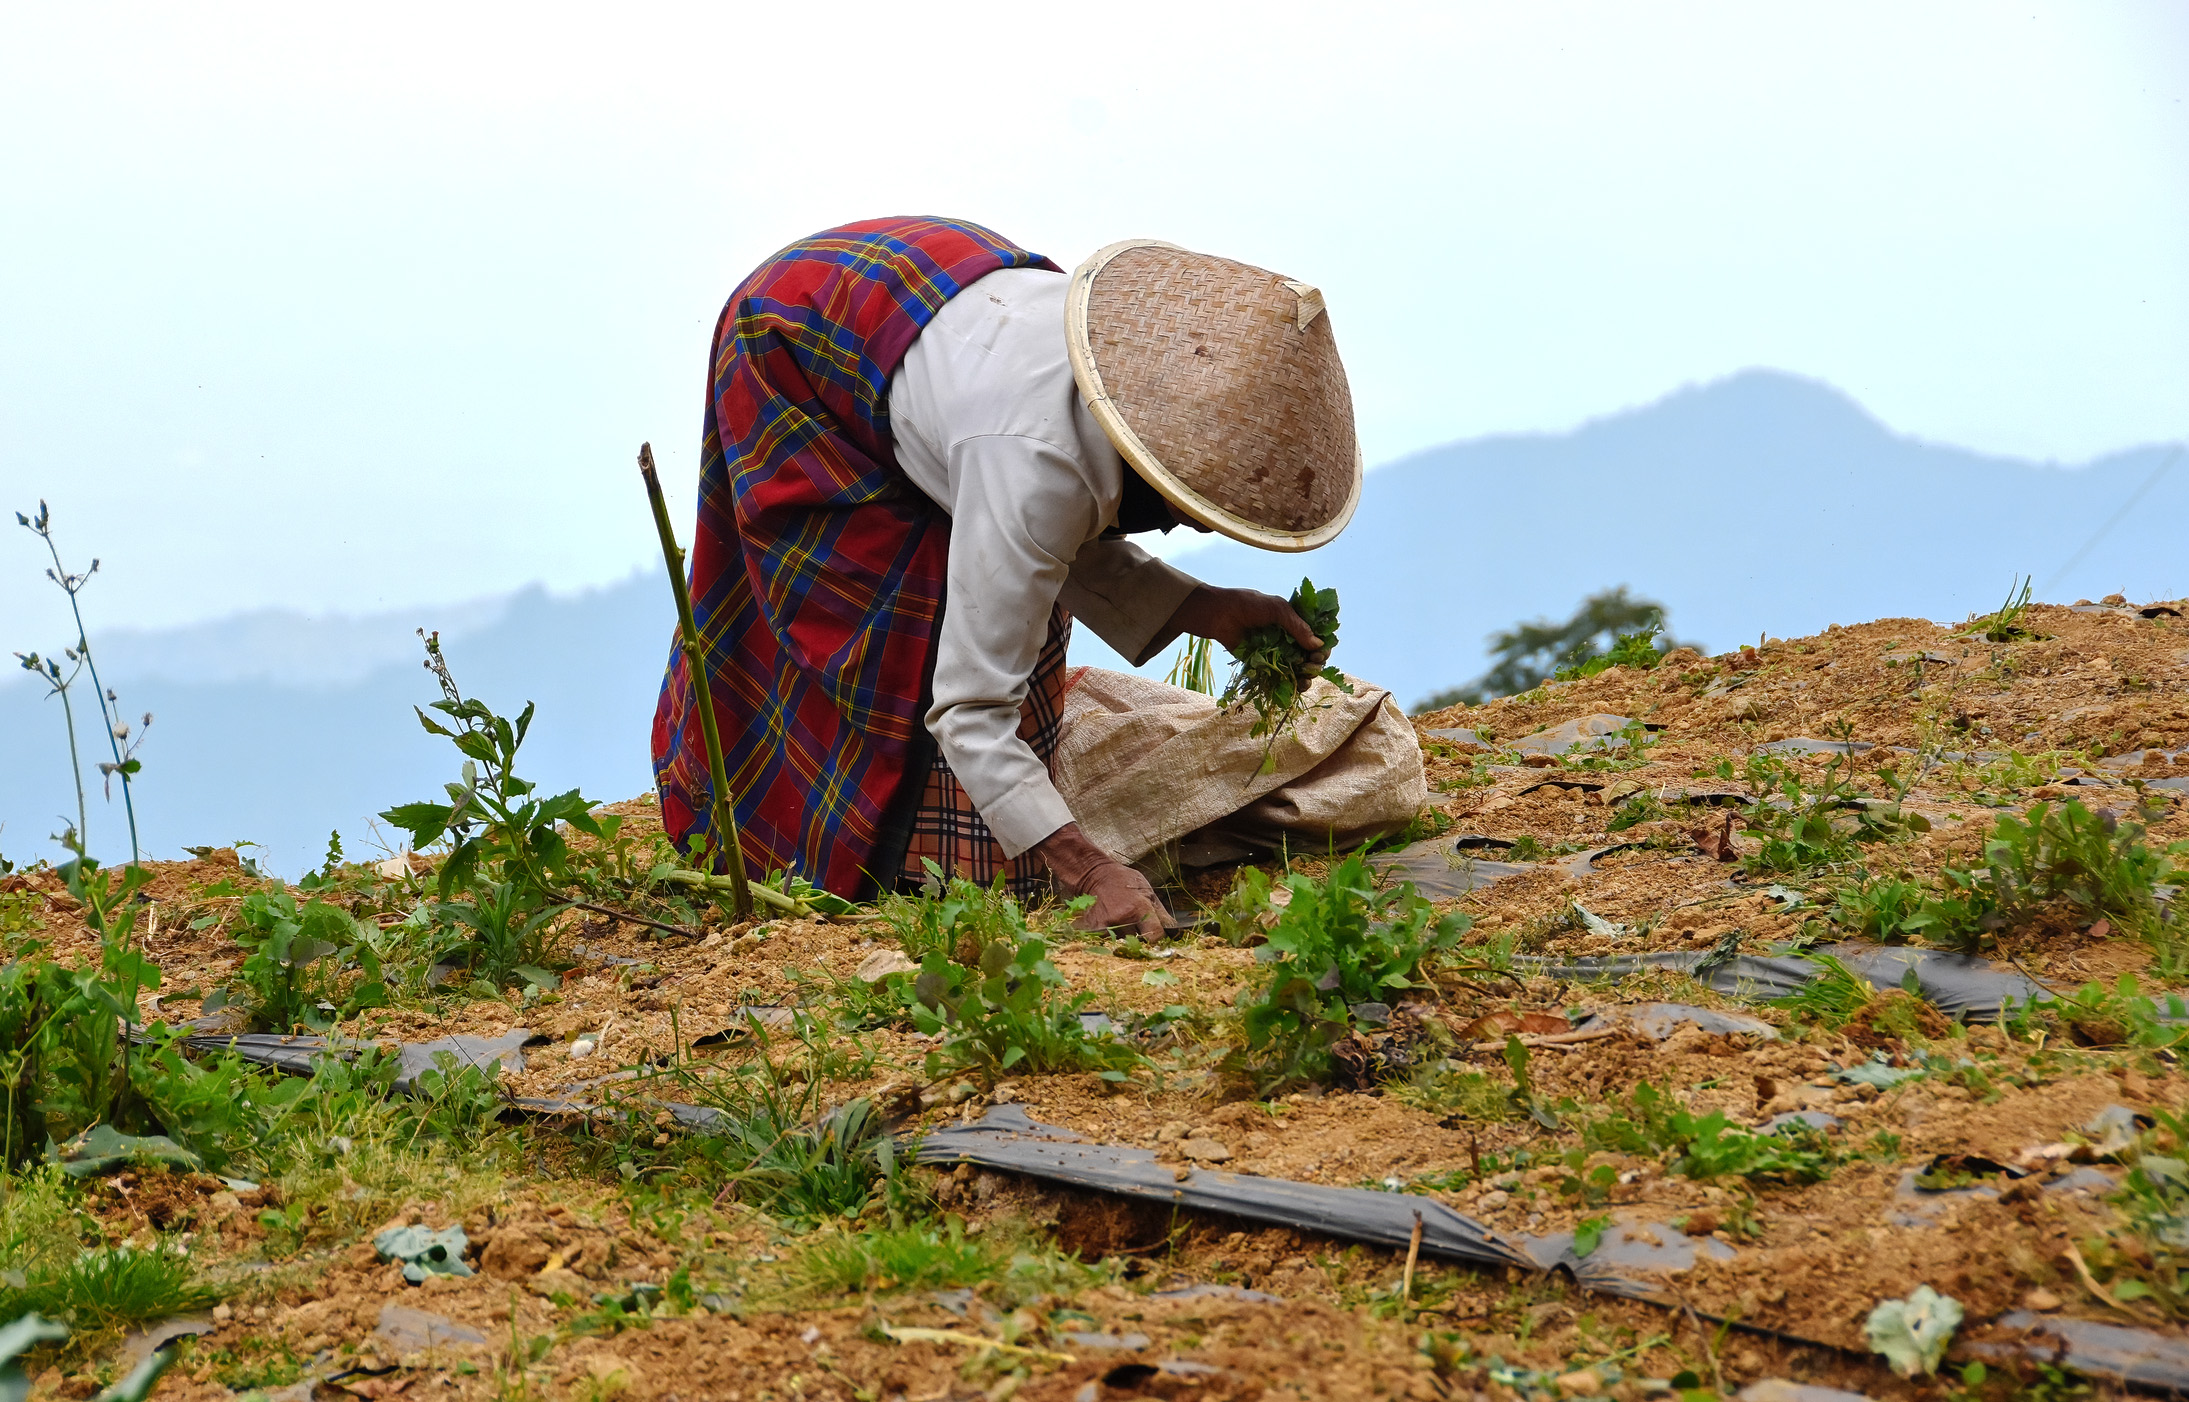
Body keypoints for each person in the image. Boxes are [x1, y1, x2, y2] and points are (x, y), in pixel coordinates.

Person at [652, 217, 1362, 937]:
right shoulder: (1030, 463)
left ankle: (968, 835)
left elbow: (1057, 529)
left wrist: (1207, 608)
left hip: (932, 288)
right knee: (892, 630)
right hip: (799, 340)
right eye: (1198, 509)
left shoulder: (1099, 400)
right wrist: (1087, 867)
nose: (1195, 527)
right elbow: (971, 705)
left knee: (1006, 602)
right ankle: (803, 839)